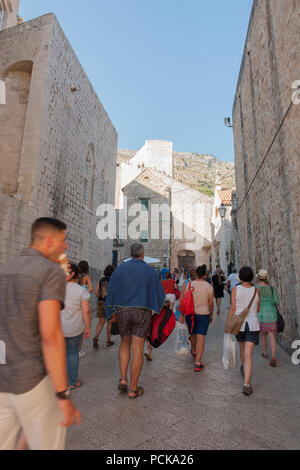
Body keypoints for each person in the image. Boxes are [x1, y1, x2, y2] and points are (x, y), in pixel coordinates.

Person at [0, 218, 81, 450]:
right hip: (32, 379)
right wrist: (63, 396)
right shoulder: (48, 272)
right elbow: (51, 336)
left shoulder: (4, 268)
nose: (66, 246)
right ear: (50, 240)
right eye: (63, 241)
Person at [105, 243, 165, 399]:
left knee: (124, 343)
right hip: (141, 311)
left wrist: (111, 311)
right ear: (143, 254)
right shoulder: (149, 271)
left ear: (130, 254)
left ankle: (123, 379)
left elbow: (111, 289)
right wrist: (157, 309)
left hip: (123, 310)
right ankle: (133, 388)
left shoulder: (120, 269)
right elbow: (159, 293)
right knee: (138, 347)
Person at [225, 266, 261, 396]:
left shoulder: (235, 289)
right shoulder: (256, 291)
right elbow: (257, 309)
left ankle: (243, 368)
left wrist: (227, 324)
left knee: (242, 349)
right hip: (252, 324)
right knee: (249, 354)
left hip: (239, 325)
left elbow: (233, 308)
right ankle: (246, 384)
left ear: (240, 277)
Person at [60, 264, 91, 389]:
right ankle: (73, 381)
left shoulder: (57, 288)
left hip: (59, 327)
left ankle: (60, 380)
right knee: (73, 353)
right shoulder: (81, 290)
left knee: (60, 354)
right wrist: (88, 327)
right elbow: (86, 311)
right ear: (77, 276)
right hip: (75, 327)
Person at [179, 265, 214, 371]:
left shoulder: (190, 284)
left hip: (191, 314)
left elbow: (183, 301)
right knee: (201, 337)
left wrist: (182, 314)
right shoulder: (208, 287)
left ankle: (194, 350)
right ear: (205, 275)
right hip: (204, 314)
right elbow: (211, 303)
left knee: (192, 334)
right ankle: (198, 363)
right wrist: (211, 314)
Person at [256, 269, 280, 368]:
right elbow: (276, 301)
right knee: (272, 335)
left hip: (260, 313)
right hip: (271, 312)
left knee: (262, 334)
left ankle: (265, 353)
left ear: (258, 278)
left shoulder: (256, 289)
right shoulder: (271, 288)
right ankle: (273, 356)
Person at [93, 265, 115, 349]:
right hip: (109, 304)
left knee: (101, 322)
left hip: (100, 302)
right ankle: (108, 341)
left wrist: (101, 296)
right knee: (109, 323)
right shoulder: (114, 281)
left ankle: (96, 337)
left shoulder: (101, 280)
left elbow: (95, 292)